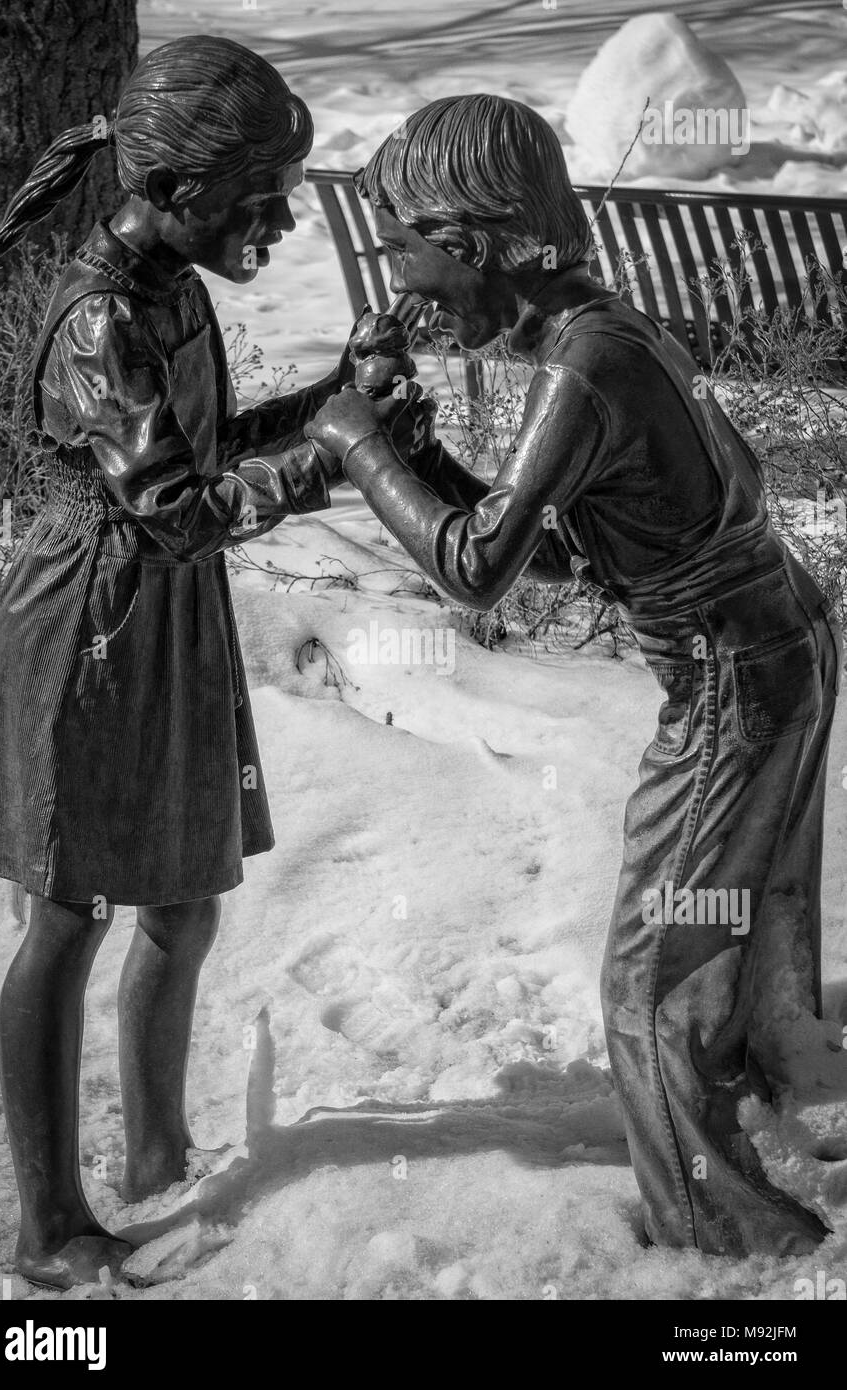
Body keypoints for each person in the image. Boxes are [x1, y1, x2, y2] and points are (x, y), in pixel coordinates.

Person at [305, 94, 843, 1258]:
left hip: (731, 682)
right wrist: (415, 449)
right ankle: (778, 1079)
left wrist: (352, 441)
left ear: (476, 241)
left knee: (650, 973)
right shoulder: (605, 332)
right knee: (740, 916)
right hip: (780, 645)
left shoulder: (580, 369)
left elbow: (479, 569)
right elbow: (550, 540)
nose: (400, 280)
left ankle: (721, 1232)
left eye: (404, 247)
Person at [0, 35, 361, 1290]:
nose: (286, 220)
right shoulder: (97, 318)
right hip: (87, 621)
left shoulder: (173, 293)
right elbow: (179, 504)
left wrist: (331, 397)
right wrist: (328, 461)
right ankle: (48, 1227)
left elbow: (207, 443)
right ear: (183, 193)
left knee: (180, 906)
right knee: (70, 909)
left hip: (164, 612)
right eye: (263, 197)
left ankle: (153, 1155)